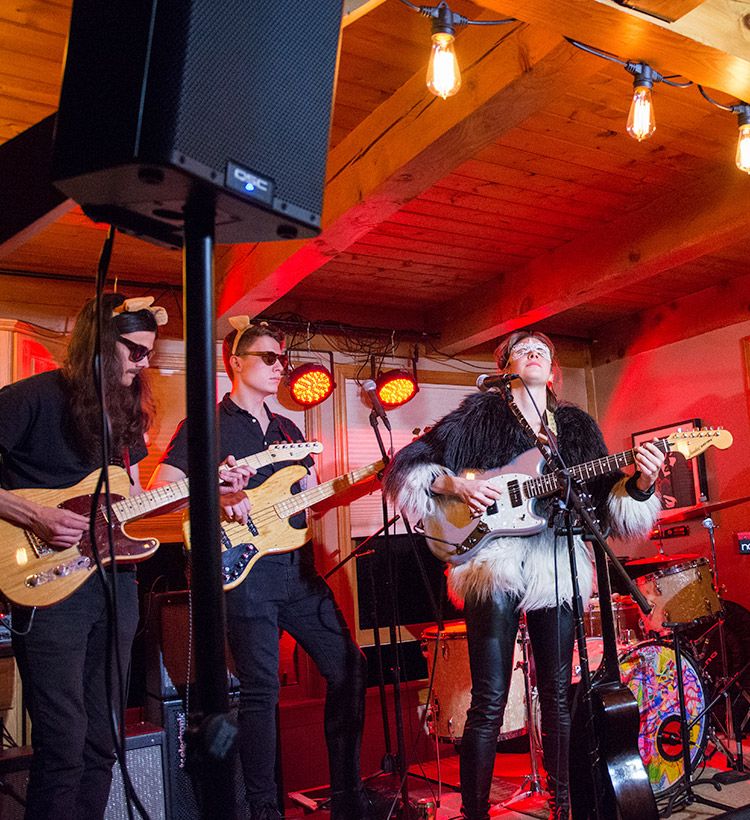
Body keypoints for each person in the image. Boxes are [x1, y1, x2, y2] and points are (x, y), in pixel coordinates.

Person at [383, 330, 665, 820]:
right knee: (489, 698)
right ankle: (475, 814)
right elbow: (410, 465)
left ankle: (564, 805)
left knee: (558, 694)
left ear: (553, 370)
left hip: (555, 558)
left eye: (543, 350)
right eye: (523, 349)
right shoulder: (480, 414)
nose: (535, 352)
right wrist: (456, 485)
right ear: (506, 366)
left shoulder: (574, 427)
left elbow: (604, 505)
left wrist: (641, 482)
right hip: (490, 559)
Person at [149, 317, 370, 820]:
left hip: (297, 572)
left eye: (282, 359)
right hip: (243, 573)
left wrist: (350, 489)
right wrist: (217, 491)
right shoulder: (205, 425)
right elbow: (161, 491)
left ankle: (346, 798)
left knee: (349, 668)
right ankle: (264, 809)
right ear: (235, 362)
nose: (279, 367)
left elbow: (306, 503)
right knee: (261, 691)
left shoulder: (289, 429)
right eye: (268, 358)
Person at [0, 294, 170, 819]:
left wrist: (215, 493)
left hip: (114, 586)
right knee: (64, 742)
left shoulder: (127, 415)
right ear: (99, 344)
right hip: (47, 585)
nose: (144, 365)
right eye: (135, 352)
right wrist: (34, 515)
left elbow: (134, 500)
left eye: (149, 355)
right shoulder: (28, 398)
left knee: (102, 740)